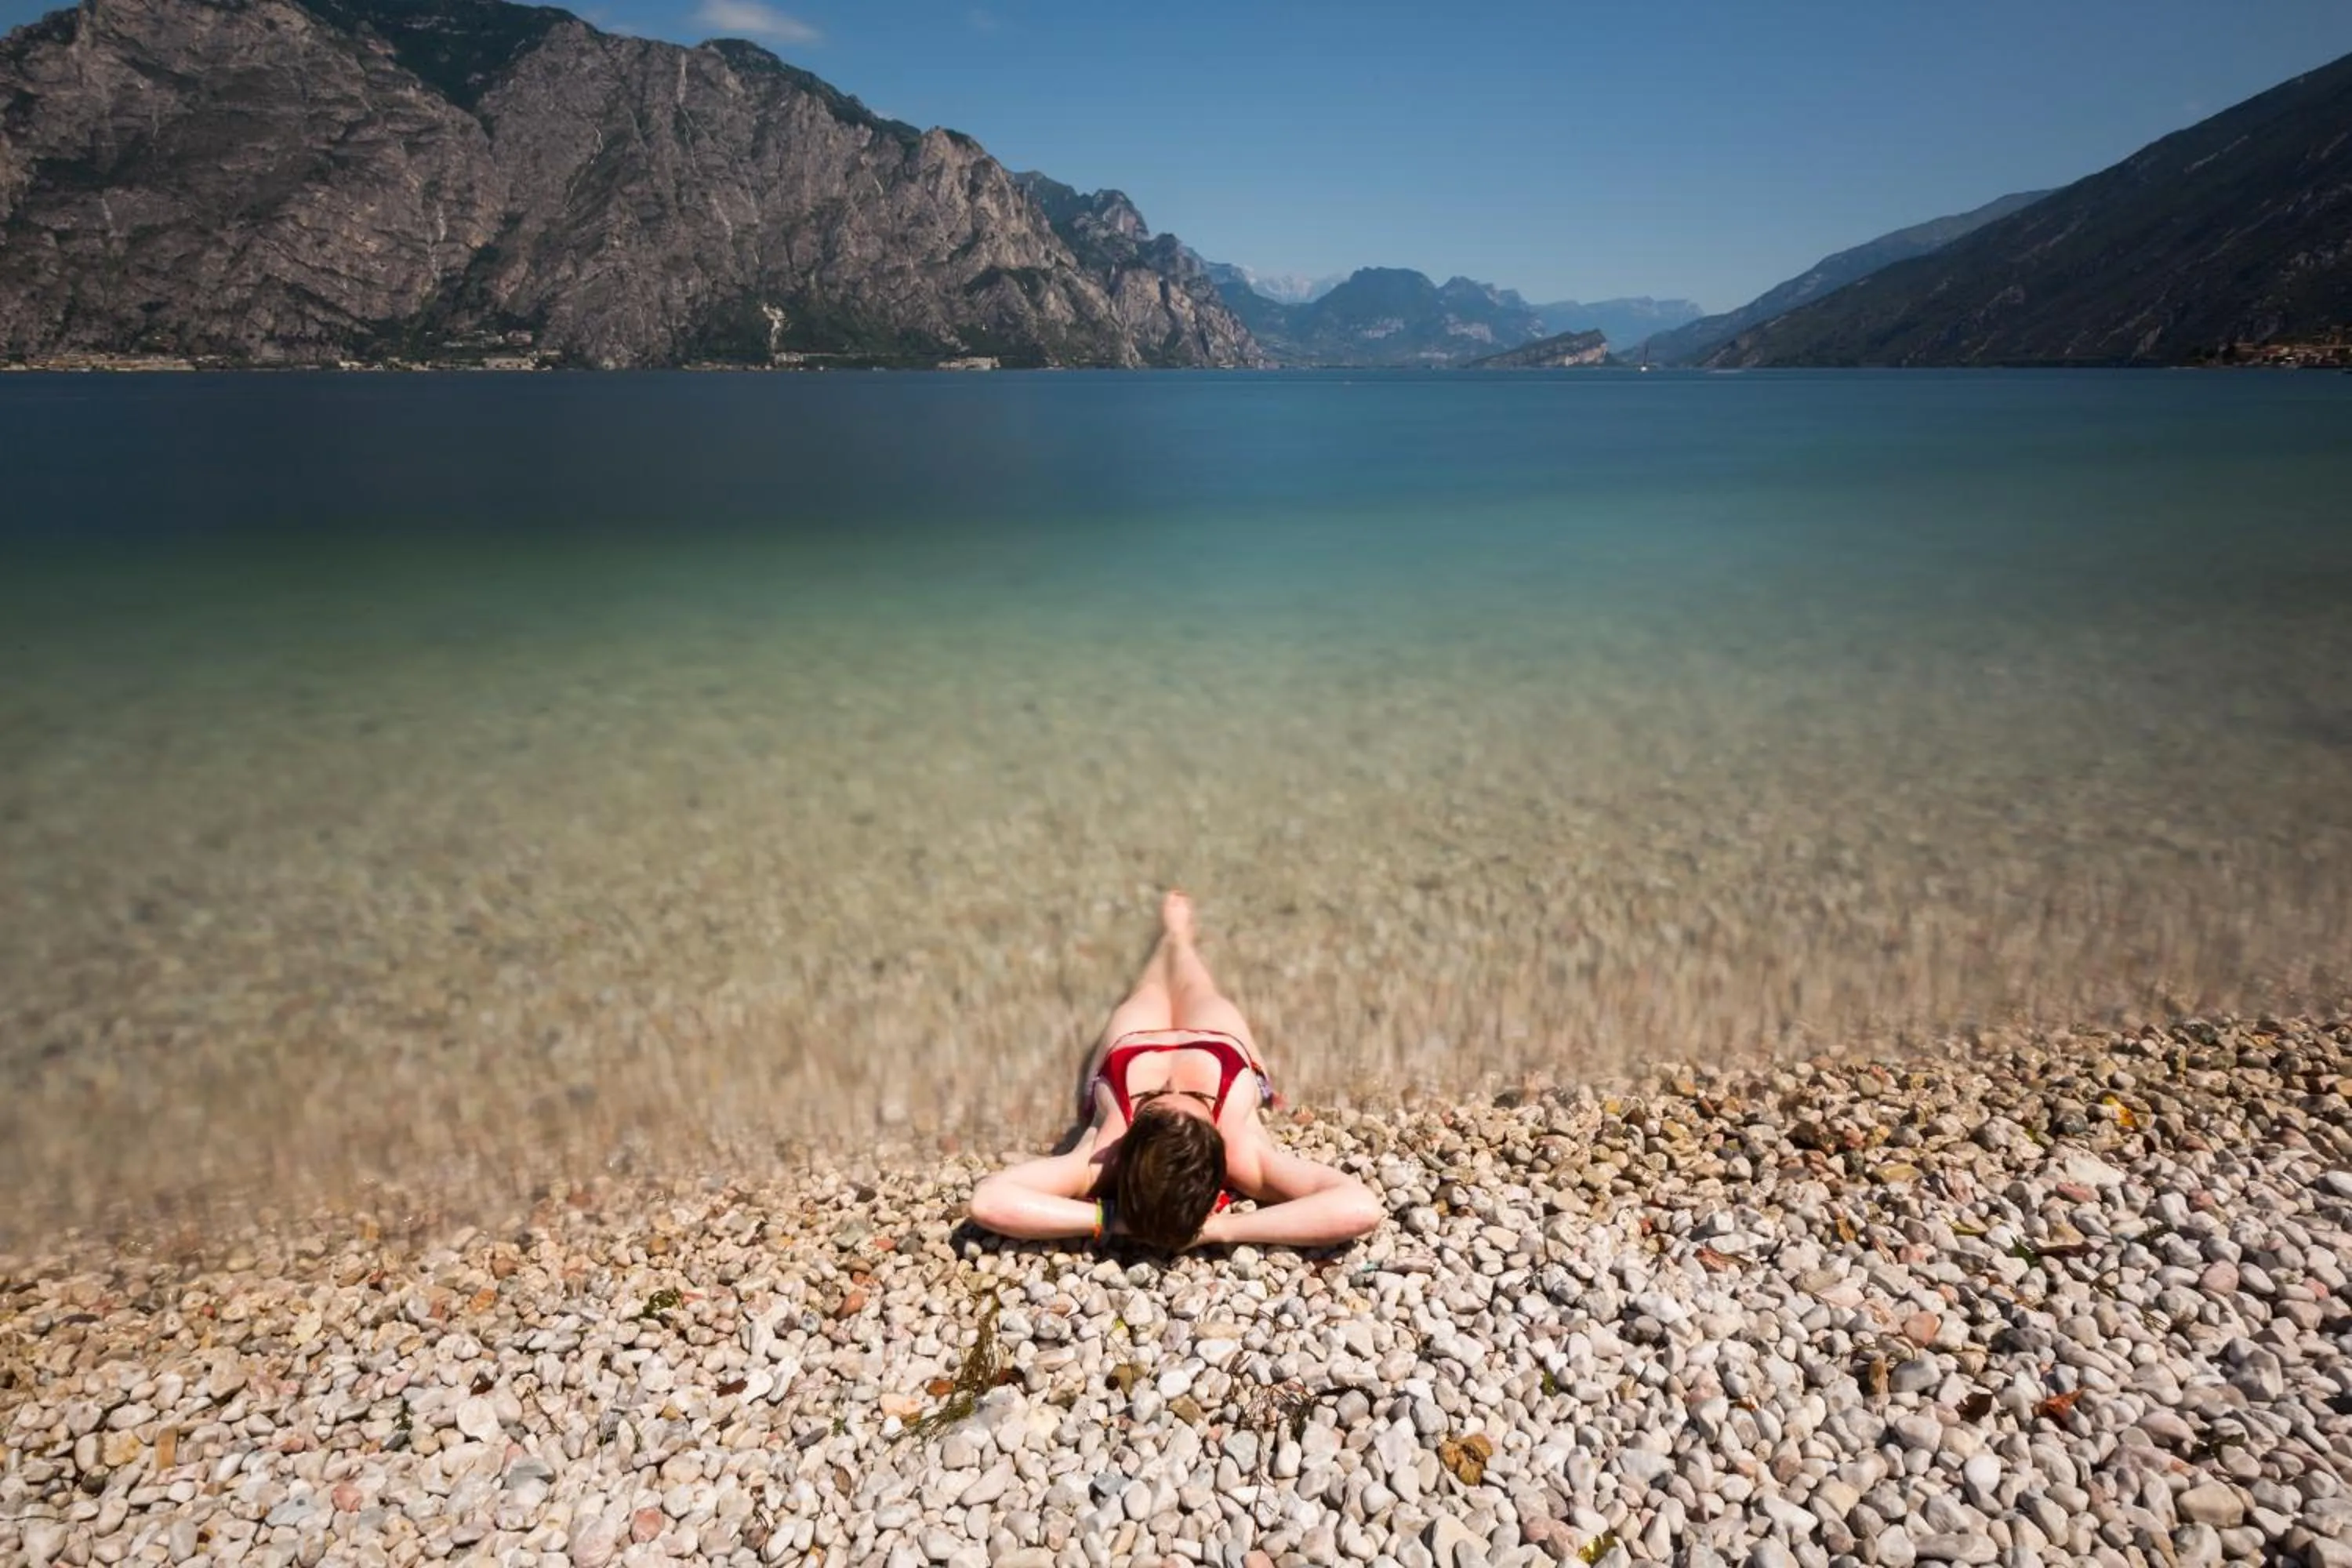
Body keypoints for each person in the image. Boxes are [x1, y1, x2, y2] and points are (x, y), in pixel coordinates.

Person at [969, 891, 1383, 1252]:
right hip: (1218, 1050)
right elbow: (1359, 1206)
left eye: (1157, 1103)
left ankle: (1173, 936)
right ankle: (1176, 937)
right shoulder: (1243, 1156)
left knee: (1155, 985)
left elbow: (990, 1201)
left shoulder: (1099, 1165)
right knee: (1192, 985)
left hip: (1131, 1052)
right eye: (1179, 1101)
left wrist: (1108, 1219)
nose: (1170, 1085)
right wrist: (1223, 1230)